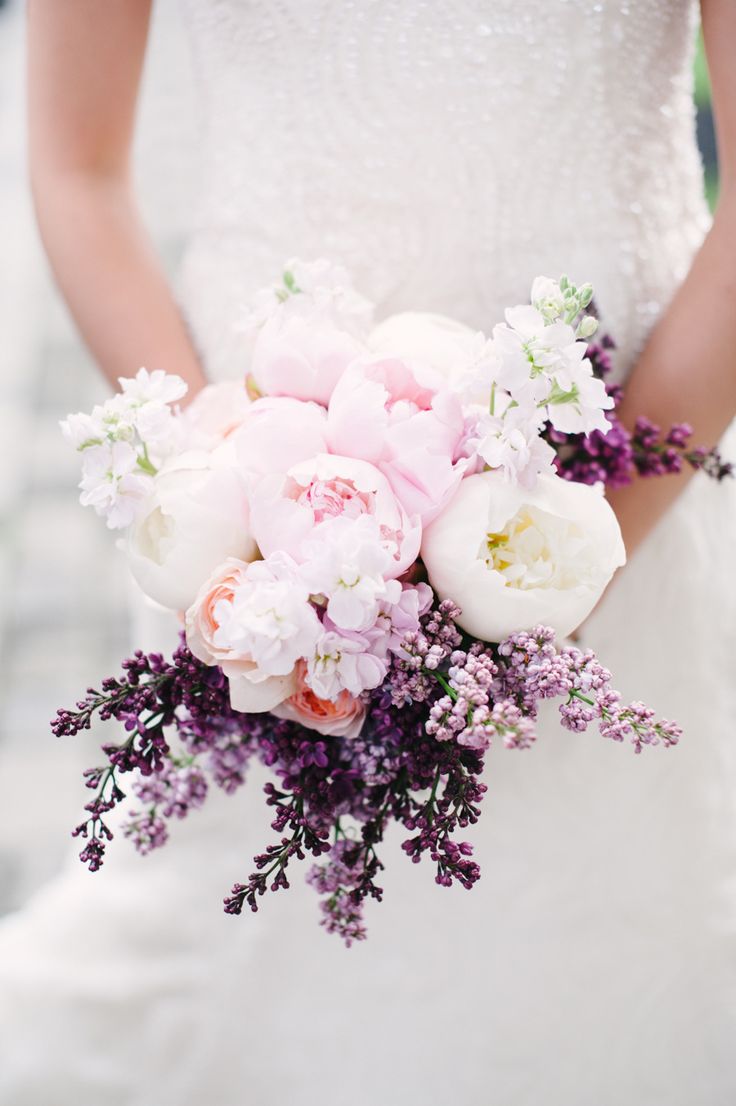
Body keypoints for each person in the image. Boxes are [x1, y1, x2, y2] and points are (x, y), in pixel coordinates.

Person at [1, 2, 734, 1103]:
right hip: (257, 483)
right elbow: (77, 165)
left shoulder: (592, 524)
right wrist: (229, 506)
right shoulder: (246, 527)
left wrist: (562, 556)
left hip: (622, 452)